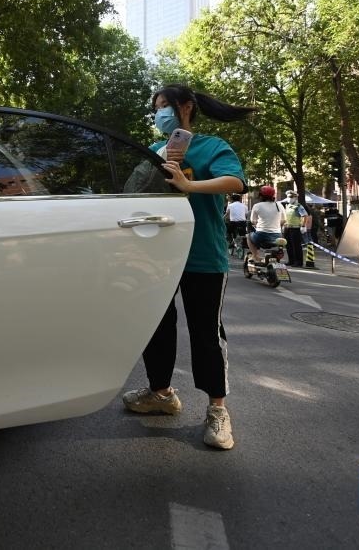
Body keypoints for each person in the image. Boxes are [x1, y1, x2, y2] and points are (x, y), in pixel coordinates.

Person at [121, 83, 252, 451]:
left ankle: (217, 410)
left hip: (203, 255)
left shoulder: (213, 147)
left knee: (206, 332)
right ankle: (161, 394)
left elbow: (236, 182)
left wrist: (187, 184)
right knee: (156, 326)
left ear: (186, 107)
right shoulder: (155, 151)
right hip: (157, 257)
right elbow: (132, 194)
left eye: (164, 105)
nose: (159, 113)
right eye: (156, 108)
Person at [247, 185, 284, 261]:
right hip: (278, 235)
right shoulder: (279, 205)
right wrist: (276, 225)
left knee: (248, 236)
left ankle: (255, 256)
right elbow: (284, 220)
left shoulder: (257, 206)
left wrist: (257, 225)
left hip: (261, 235)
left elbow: (253, 221)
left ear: (261, 196)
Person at [282, 190, 309, 267]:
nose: (289, 198)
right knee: (288, 246)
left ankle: (298, 262)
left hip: (295, 228)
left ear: (295, 197)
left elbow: (305, 216)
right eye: (288, 197)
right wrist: (283, 226)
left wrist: (303, 226)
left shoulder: (298, 206)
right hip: (287, 228)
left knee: (296, 246)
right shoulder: (287, 206)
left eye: (291, 197)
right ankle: (291, 261)